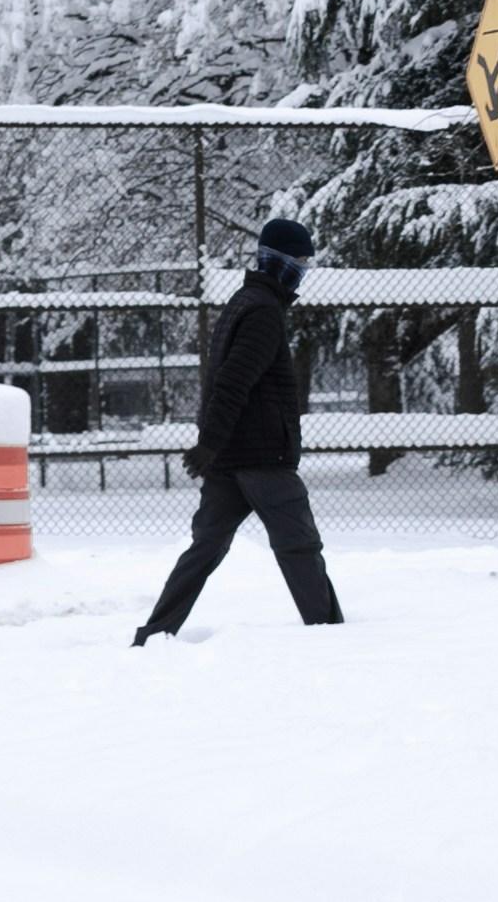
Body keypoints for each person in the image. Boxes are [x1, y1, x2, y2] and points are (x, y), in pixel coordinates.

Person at [133, 214, 343, 640]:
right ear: (281, 261)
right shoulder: (264, 312)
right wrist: (209, 443)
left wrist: (214, 446)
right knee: (300, 545)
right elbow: (233, 380)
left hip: (232, 456)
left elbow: (226, 378)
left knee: (205, 549)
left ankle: (155, 634)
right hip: (262, 456)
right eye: (301, 261)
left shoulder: (243, 301)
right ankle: (330, 636)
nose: (304, 271)